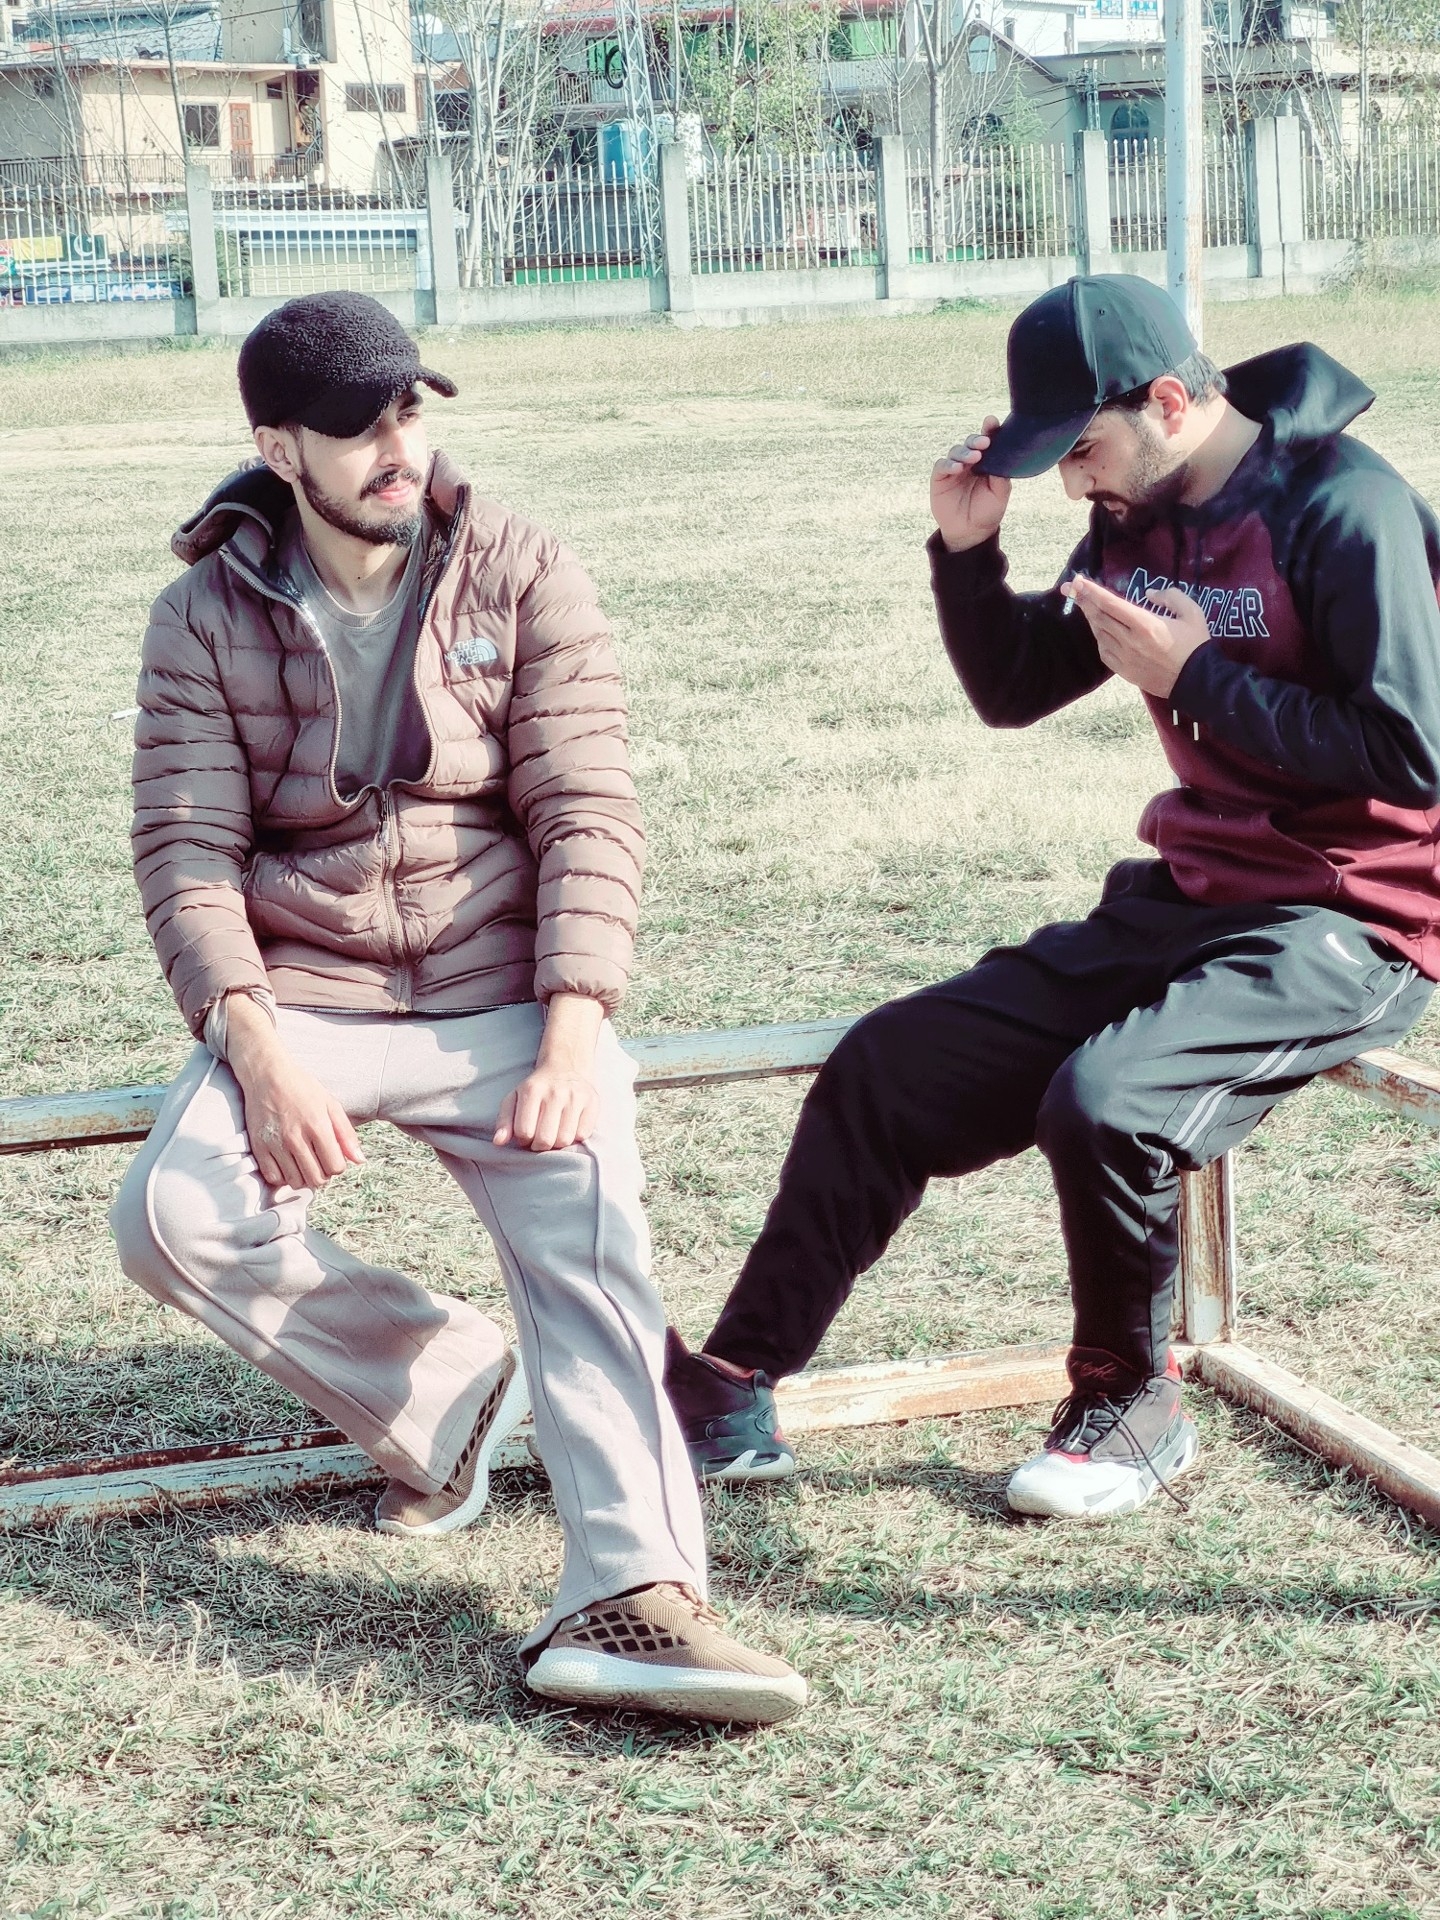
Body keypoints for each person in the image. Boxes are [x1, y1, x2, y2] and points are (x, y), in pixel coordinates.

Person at [108, 291, 805, 1726]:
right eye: (356, 427)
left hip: (506, 992)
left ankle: (638, 1596)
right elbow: (187, 855)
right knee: (172, 1215)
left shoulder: (520, 566)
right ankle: (451, 1390)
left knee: (593, 1248)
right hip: (311, 994)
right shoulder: (201, 615)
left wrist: (575, 1026)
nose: (396, 449)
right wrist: (256, 1048)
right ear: (278, 447)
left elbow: (588, 809)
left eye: (409, 412)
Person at [667, 273, 1440, 1518]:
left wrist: (1201, 677)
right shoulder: (1140, 515)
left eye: (1082, 451)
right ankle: (732, 1383)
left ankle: (1133, 1407)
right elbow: (1018, 687)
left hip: (1354, 915)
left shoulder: (1345, 506)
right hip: (1192, 894)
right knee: (889, 1065)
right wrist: (967, 552)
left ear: (1170, 402)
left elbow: (1415, 754)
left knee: (1111, 1102)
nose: (1075, 486)